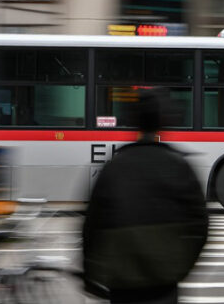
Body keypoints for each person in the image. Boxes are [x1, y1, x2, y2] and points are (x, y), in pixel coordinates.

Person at [83, 89, 209, 304]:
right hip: (164, 282)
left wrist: (91, 275)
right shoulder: (178, 166)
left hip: (122, 283)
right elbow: (200, 225)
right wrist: (180, 268)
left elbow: (91, 226)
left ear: (133, 121)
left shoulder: (114, 167)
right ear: (164, 121)